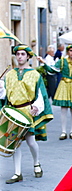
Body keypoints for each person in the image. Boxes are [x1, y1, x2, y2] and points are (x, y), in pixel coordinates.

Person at [2, 45, 53, 184]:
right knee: (15, 143)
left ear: (28, 57)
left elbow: (41, 93)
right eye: (17, 54)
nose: (19, 57)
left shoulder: (35, 74)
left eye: (23, 54)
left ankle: (36, 163)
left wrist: (36, 106)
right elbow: (5, 94)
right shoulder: (10, 74)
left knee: (31, 142)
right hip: (13, 111)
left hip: (27, 111)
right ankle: (17, 173)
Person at [38, 44, 72, 140]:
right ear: (67, 52)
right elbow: (53, 70)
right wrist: (43, 62)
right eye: (71, 51)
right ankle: (63, 131)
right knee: (63, 108)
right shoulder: (62, 61)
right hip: (64, 84)